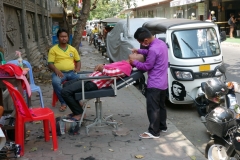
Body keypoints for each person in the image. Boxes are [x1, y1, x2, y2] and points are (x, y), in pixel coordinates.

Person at [61, 54, 145, 122]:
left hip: (93, 82)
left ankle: (78, 113)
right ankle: (78, 107)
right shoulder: (123, 63)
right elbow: (109, 67)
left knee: (65, 92)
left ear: (135, 61)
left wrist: (102, 68)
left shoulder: (126, 67)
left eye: (137, 54)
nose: (134, 52)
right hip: (90, 79)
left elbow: (112, 73)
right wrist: (103, 65)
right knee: (66, 85)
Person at [129, 27, 168, 139]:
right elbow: (150, 52)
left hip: (155, 83)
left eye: (141, 42)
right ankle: (162, 126)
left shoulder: (153, 49)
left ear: (146, 40)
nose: (141, 44)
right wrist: (139, 51)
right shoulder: (160, 43)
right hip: (163, 82)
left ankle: (154, 132)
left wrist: (135, 62)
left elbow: (147, 66)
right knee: (161, 106)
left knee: (153, 108)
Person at [48, 28, 81, 112]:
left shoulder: (72, 49)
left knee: (81, 81)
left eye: (65, 36)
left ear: (68, 37)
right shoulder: (53, 49)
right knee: (55, 82)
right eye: (62, 36)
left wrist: (77, 69)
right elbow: (50, 63)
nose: (64, 38)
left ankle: (77, 100)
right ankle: (63, 102)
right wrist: (56, 70)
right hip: (59, 73)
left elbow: (78, 61)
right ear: (58, 38)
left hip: (71, 73)